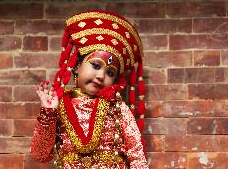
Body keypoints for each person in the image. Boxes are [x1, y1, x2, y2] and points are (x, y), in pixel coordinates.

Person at [30, 10, 148, 169]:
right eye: (96, 65)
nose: (100, 76)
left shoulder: (117, 108)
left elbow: (136, 155)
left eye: (110, 73)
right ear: (77, 66)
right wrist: (48, 113)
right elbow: (40, 154)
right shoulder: (59, 106)